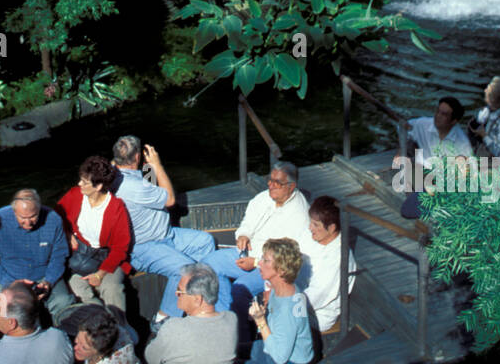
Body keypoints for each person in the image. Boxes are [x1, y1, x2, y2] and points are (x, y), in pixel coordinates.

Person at [110, 135, 215, 320]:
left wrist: (149, 168)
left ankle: (196, 299)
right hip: (145, 247)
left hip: (167, 236)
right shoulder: (132, 186)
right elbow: (169, 199)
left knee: (204, 242)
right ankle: (163, 319)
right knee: (184, 269)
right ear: (137, 157)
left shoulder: (117, 174)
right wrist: (157, 165)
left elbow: (148, 188)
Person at [205, 162, 310, 320]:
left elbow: (285, 259)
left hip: (269, 269)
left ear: (291, 186)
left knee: (239, 291)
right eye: (270, 179)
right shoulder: (264, 198)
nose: (271, 185)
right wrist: (243, 235)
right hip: (245, 253)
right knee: (207, 265)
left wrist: (255, 262)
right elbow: (247, 223)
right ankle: (222, 319)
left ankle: (236, 330)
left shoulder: (300, 215)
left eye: (277, 182)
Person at [0, 188, 76, 325]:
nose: (28, 223)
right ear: (14, 211)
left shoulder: (53, 219)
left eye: (33, 217)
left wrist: (48, 282)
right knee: (13, 313)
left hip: (44, 276)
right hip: (11, 278)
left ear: (40, 210)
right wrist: (8, 283)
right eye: (22, 218)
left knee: (64, 303)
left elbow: (59, 256)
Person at [144, 264, 237, 364]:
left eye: (180, 291)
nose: (176, 294)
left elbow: (151, 359)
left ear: (197, 300)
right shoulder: (231, 320)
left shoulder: (173, 327)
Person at [57, 156, 132, 312]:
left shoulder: (116, 208)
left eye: (84, 182)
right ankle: (100, 325)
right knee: (77, 289)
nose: (79, 184)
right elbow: (57, 217)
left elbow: (120, 249)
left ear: (98, 186)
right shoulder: (75, 194)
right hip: (80, 258)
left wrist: (100, 274)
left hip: (107, 259)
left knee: (113, 290)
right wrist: (68, 233)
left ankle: (121, 330)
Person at [241, 238, 314, 364]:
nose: (259, 263)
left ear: (281, 270)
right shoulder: (289, 289)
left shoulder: (286, 309)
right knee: (230, 351)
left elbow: (280, 357)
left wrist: (260, 321)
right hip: (275, 348)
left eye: (265, 261)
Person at [402, 97, 472, 219]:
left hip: (444, 182)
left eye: (443, 114)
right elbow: (403, 127)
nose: (437, 116)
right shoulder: (422, 124)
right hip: (423, 173)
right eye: (437, 111)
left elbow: (464, 174)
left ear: (454, 121)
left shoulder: (462, 143)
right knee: (407, 209)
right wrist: (401, 150)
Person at [299, 197, 356, 334]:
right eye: (311, 223)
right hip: (295, 295)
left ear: (331, 228)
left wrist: (284, 304)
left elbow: (316, 296)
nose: (310, 228)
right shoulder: (312, 236)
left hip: (316, 314)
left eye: (316, 225)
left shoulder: (338, 257)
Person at [66, 304, 140, 364]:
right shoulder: (122, 336)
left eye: (84, 347)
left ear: (102, 352)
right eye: (77, 340)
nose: (75, 347)